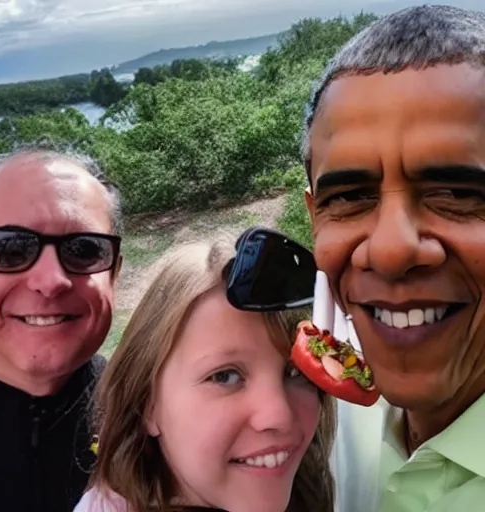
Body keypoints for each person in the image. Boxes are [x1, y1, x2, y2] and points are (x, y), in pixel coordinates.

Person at [301, 4, 485, 512]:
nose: (389, 250)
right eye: (350, 197)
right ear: (314, 217)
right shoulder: (311, 424)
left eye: (455, 191)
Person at [74, 228, 336, 512]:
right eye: (225, 376)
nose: (280, 416)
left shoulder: (314, 485)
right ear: (147, 405)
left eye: (296, 372)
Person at [0, 144, 123, 511]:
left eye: (85, 249)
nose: (51, 280)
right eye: (8, 249)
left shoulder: (142, 415)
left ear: (114, 272)